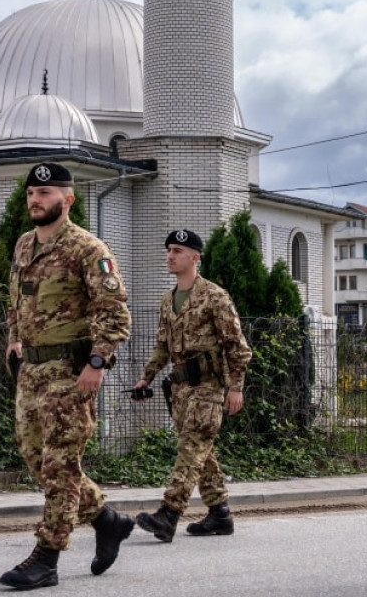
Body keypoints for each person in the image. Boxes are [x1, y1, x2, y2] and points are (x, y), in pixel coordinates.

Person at [0, 162, 134, 590]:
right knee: (37, 458)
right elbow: (16, 300)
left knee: (60, 464)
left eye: (45, 193)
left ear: (68, 199)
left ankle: (46, 558)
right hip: (32, 369)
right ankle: (107, 520)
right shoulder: (24, 245)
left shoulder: (88, 249)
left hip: (69, 373)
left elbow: (114, 313)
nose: (35, 200)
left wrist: (97, 363)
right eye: (31, 194)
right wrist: (13, 339)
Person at [132, 228, 253, 543]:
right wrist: (147, 377)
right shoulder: (168, 300)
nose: (170, 256)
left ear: (194, 257)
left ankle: (168, 514)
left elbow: (237, 347)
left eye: (177, 251)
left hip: (209, 387)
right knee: (201, 450)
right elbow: (162, 346)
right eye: (169, 250)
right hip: (181, 388)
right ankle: (220, 514)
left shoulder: (215, 296)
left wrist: (236, 387)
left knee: (191, 448)